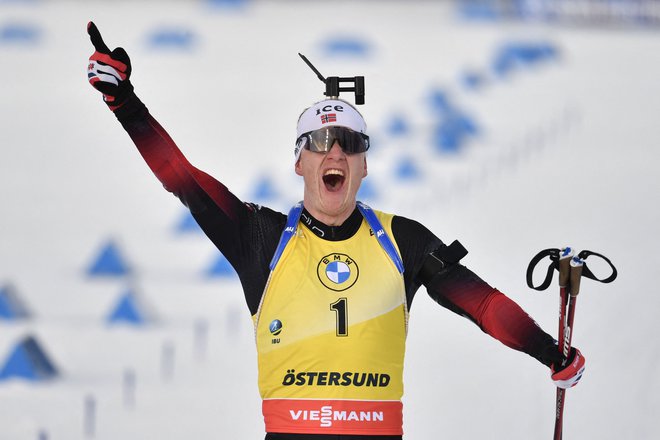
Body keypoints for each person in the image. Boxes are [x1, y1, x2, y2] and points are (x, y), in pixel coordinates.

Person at [85, 22, 585, 440]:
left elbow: (481, 302)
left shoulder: (402, 241)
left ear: (364, 166)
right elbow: (183, 178)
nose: (335, 153)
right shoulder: (261, 238)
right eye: (320, 142)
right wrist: (125, 104)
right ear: (299, 162)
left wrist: (547, 350)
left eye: (349, 143)